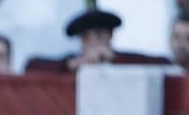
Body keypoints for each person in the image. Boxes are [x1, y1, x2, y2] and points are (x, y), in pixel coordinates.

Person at [23, 8, 171, 72]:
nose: (93, 41)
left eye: (99, 34)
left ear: (110, 36)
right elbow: (31, 66)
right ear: (81, 41)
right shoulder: (71, 63)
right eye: (86, 36)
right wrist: (69, 65)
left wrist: (115, 58)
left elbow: (166, 64)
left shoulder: (124, 60)